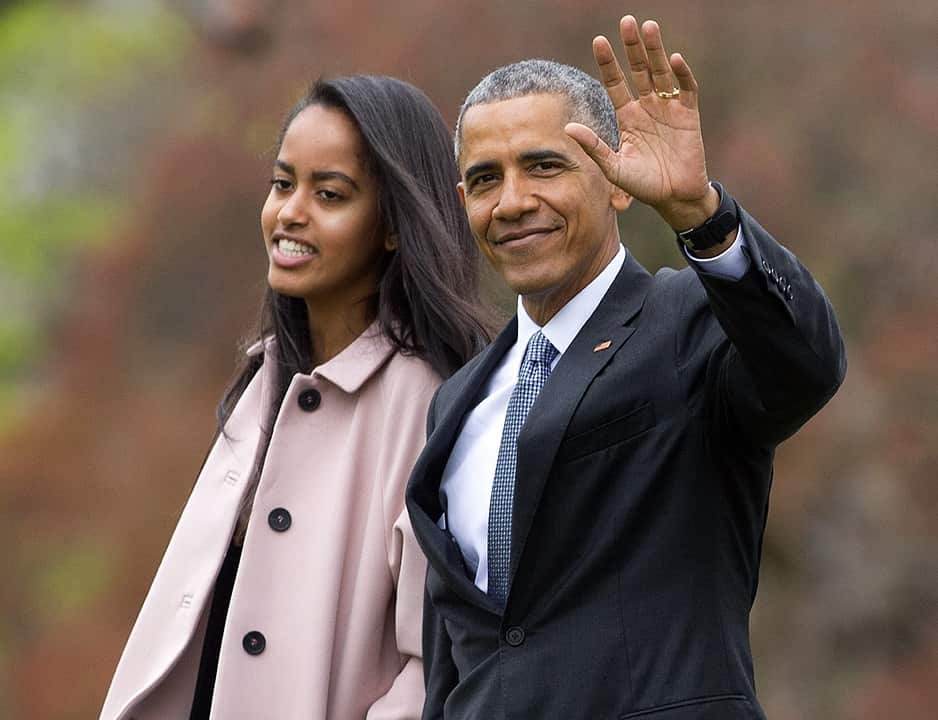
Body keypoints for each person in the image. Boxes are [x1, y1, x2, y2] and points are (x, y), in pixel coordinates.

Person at [406, 15, 846, 720]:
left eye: (545, 165)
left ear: (614, 178)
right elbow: (461, 658)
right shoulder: (458, 400)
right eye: (486, 179)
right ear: (465, 204)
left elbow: (807, 365)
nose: (514, 201)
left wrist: (702, 214)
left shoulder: (688, 321)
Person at [100, 75, 491, 720]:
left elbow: (439, 660)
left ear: (393, 224)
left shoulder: (431, 403)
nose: (290, 212)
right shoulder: (263, 382)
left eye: (329, 194)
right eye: (283, 184)